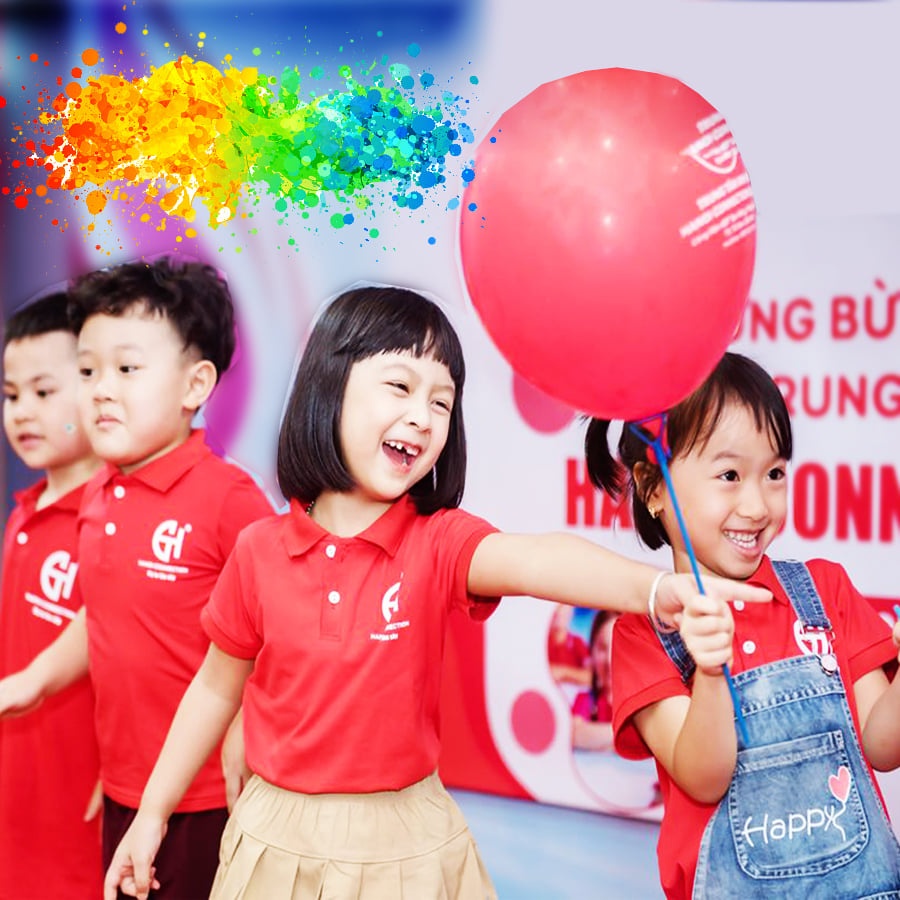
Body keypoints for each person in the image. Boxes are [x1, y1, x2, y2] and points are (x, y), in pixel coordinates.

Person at [102, 285, 769, 900]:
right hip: (278, 839)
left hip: (406, 844)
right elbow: (214, 689)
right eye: (400, 386)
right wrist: (152, 814)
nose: (422, 417)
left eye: (441, 402)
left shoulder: (438, 540)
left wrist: (657, 589)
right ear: (327, 386)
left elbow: (536, 558)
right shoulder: (258, 550)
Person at [0, 257, 274, 899]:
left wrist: (245, 727)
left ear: (195, 385)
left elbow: (281, 631)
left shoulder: (229, 500)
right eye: (88, 371)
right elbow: (103, 613)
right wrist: (33, 680)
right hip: (127, 791)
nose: (99, 389)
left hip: (208, 798)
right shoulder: (100, 494)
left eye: (126, 369)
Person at [585, 351, 900, 899]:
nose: (756, 505)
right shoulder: (645, 635)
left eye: (774, 473)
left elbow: (883, 746)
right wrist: (710, 671)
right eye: (729, 475)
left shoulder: (825, 591)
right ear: (653, 487)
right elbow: (703, 777)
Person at [0, 290, 104, 898]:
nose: (23, 413)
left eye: (44, 392)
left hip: (82, 786)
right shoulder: (23, 512)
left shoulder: (113, 520)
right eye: (12, 395)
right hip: (19, 782)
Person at [570, 609, 616, 751]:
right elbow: (574, 734)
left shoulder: (639, 704)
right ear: (591, 652)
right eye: (602, 648)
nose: (609, 660)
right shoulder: (586, 701)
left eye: (617, 647)